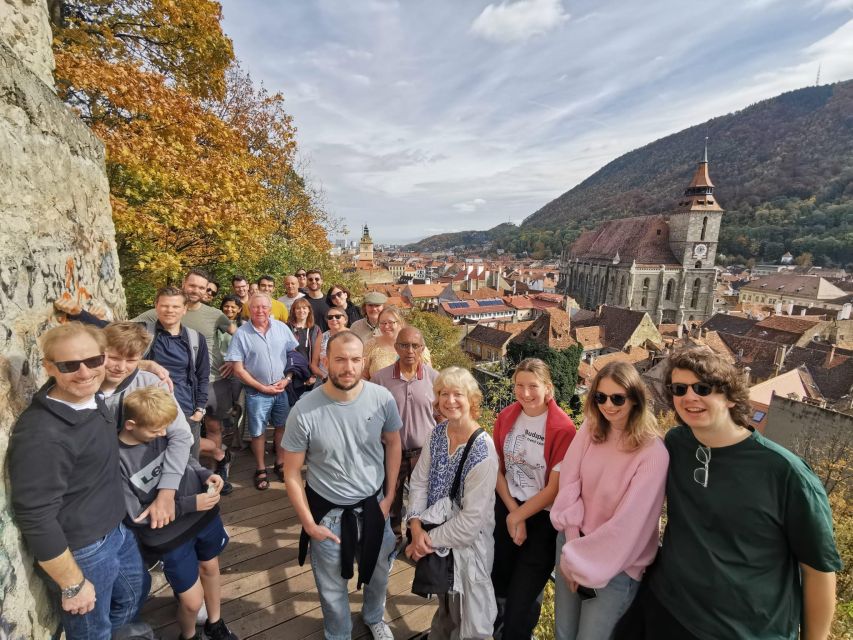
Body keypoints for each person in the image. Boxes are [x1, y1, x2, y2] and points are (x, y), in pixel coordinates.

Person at [616, 346, 840, 640]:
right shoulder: (677, 444)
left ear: (732, 397)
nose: (689, 397)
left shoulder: (785, 473)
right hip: (666, 607)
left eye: (703, 388)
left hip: (742, 630)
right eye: (679, 389)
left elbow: (818, 571)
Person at [8, 323, 147, 639]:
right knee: (91, 631)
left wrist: (148, 363)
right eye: (70, 365)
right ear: (49, 367)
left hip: (116, 528)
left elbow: (119, 354)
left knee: (135, 593)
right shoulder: (43, 435)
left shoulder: (90, 394)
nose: (85, 372)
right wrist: (73, 584)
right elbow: (36, 516)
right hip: (83, 550)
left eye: (93, 361)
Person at [283, 331, 403, 640]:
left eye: (354, 360)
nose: (347, 367)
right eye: (339, 359)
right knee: (331, 586)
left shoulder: (381, 399)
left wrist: (389, 497)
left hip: (374, 505)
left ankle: (374, 616)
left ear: (363, 362)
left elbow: (393, 443)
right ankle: (338, 634)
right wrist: (309, 524)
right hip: (327, 514)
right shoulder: (304, 410)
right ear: (325, 362)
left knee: (378, 574)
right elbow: (292, 473)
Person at [550, 361, 668, 640]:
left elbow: (629, 526)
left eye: (618, 398)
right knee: (563, 633)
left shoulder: (653, 453)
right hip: (572, 544)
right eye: (600, 397)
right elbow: (569, 482)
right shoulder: (592, 427)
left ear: (636, 399)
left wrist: (579, 558)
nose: (608, 405)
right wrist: (571, 543)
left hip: (617, 564)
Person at [118, 387, 237, 640]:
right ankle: (189, 634)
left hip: (203, 518)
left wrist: (206, 475)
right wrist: (192, 503)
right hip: (170, 536)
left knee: (211, 567)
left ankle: (215, 623)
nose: (163, 434)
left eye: (165, 428)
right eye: (156, 430)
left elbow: (185, 458)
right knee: (192, 602)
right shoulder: (118, 461)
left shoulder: (161, 431)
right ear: (130, 425)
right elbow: (135, 516)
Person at [406, 366, 499, 639]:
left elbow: (471, 522)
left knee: (467, 618)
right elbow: (420, 481)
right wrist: (414, 526)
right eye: (443, 394)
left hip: (468, 551)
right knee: (446, 607)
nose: (449, 400)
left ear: (472, 399)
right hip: (437, 542)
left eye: (457, 394)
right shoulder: (437, 434)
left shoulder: (483, 450)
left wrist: (424, 540)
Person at [491, 358, 575, 639]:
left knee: (522, 602)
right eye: (519, 386)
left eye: (533, 386)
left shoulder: (562, 429)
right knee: (496, 586)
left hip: (542, 520)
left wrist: (519, 517)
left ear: (548, 388)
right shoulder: (506, 417)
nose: (525, 393)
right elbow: (497, 469)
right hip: (506, 505)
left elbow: (554, 488)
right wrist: (513, 512)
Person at [100, 322, 199, 514]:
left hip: (154, 477)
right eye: (113, 358)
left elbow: (180, 435)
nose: (121, 367)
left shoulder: (151, 382)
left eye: (131, 360)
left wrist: (167, 493)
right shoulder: (85, 387)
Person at [371, 327, 439, 546]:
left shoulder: (434, 378)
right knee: (392, 498)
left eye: (415, 345)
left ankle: (414, 541)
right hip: (391, 453)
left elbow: (441, 417)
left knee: (420, 502)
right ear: (396, 347)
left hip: (423, 453)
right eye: (404, 345)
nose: (410, 350)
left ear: (422, 348)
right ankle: (393, 541)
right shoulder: (380, 379)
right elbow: (371, 417)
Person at [225, 293, 298, 490]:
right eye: (255, 307)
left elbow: (293, 355)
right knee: (258, 433)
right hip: (257, 393)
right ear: (249, 310)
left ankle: (280, 463)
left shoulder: (282, 328)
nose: (260, 311)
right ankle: (260, 468)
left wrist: (288, 379)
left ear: (270, 309)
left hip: (281, 388)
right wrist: (262, 387)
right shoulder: (241, 334)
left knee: (282, 427)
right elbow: (238, 369)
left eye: (264, 307)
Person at [141, 286, 210, 460]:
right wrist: (146, 364)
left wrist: (199, 410)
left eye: (175, 306)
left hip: (186, 410)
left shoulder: (195, 338)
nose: (169, 310)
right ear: (156, 306)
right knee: (152, 464)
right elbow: (110, 336)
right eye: (164, 305)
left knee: (188, 463)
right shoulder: (142, 333)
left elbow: (203, 376)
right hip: (150, 411)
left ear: (185, 309)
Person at [363, 307, 431, 380]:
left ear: (401, 323)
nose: (386, 326)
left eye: (390, 322)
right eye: (382, 323)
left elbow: (429, 377)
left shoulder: (417, 346)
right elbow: (363, 375)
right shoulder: (371, 345)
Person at [310, 306, 350, 383]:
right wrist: (324, 377)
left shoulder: (353, 335)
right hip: (324, 380)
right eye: (330, 317)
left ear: (345, 319)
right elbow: (314, 365)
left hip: (347, 379)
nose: (333, 319)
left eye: (337, 316)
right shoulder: (321, 337)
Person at [286, 297, 320, 388]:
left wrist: (315, 375)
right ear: (293, 311)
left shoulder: (315, 329)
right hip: (291, 375)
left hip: (310, 376)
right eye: (298, 308)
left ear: (309, 310)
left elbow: (319, 353)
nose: (301, 311)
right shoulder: (286, 328)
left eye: (304, 308)